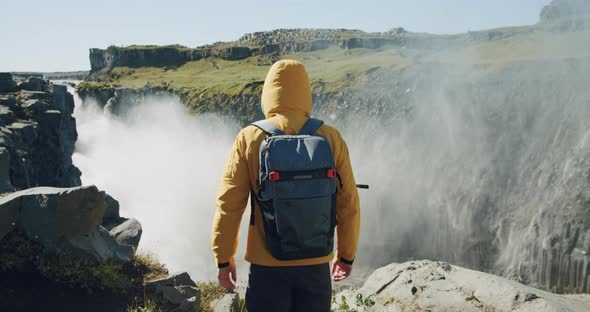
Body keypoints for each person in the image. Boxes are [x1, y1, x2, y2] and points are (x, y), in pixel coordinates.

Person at [212, 59, 360, 311]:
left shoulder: (250, 137)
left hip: (267, 263)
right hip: (315, 265)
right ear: (305, 92)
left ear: (268, 92)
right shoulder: (330, 137)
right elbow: (348, 202)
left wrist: (224, 259)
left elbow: (230, 204)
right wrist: (346, 255)